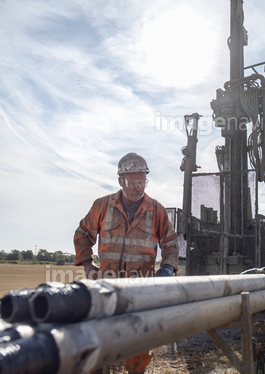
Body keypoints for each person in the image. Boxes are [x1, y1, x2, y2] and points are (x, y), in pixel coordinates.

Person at [74, 152, 180, 374]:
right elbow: (83, 234)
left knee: (138, 345)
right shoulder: (103, 205)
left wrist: (167, 268)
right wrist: (87, 265)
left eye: (142, 181)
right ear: (120, 181)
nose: (138, 187)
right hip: (107, 288)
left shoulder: (156, 209)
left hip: (141, 289)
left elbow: (170, 241)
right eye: (133, 182)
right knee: (101, 342)